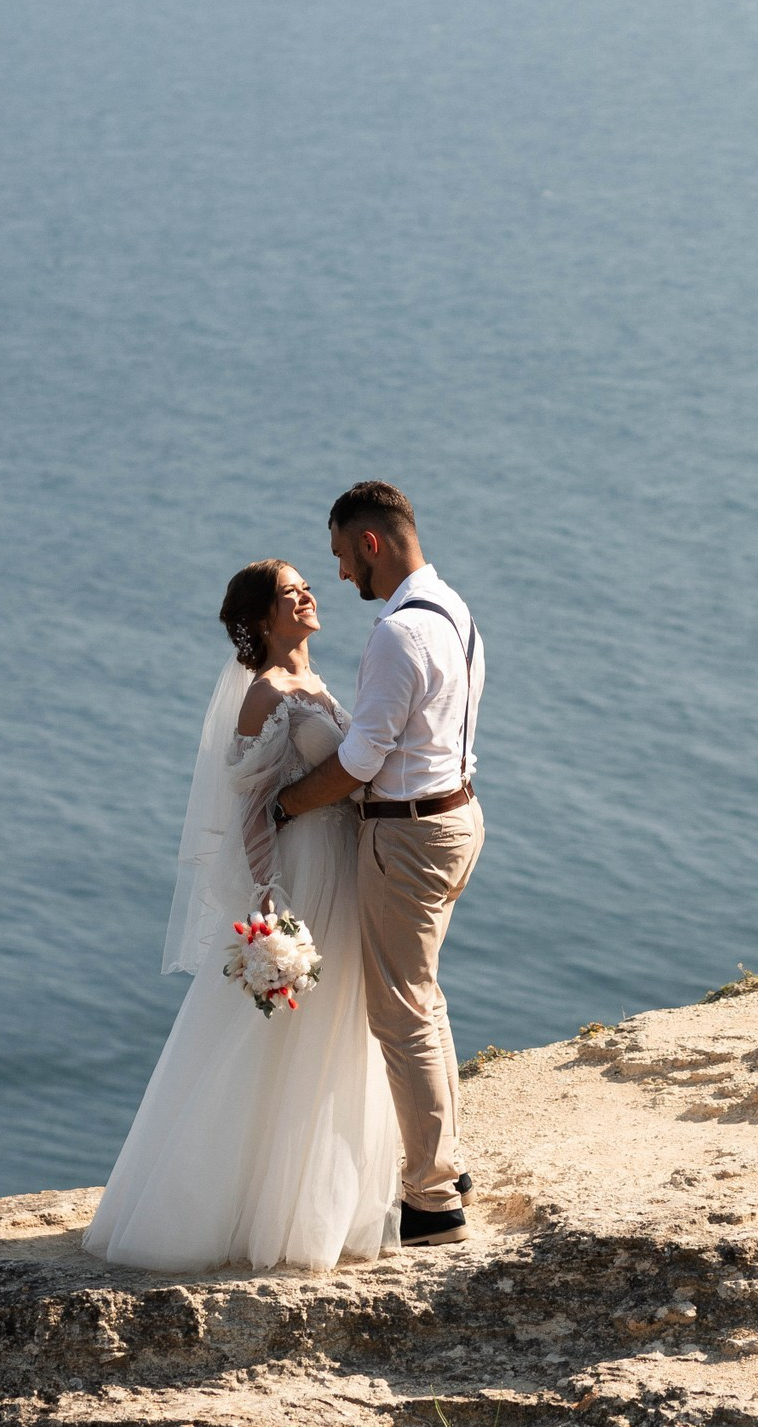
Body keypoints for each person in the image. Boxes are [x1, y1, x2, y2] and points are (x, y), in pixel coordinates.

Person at [81, 560, 401, 1271]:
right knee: (279, 1034)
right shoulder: (264, 696)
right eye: (292, 592)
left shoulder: (317, 682)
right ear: (263, 618)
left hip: (344, 863)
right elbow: (247, 809)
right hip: (304, 870)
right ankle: (233, 1210)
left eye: (307, 585)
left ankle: (320, 1202)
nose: (309, 595)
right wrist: (269, 903)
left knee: (338, 1025)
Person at [271, 481, 487, 1247]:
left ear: (370, 543)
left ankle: (433, 1200)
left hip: (409, 833)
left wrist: (288, 805)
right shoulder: (455, 609)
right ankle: (447, 1166)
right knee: (424, 1000)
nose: (338, 577)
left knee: (400, 1012)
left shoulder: (396, 633)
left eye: (339, 555)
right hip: (457, 814)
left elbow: (361, 759)